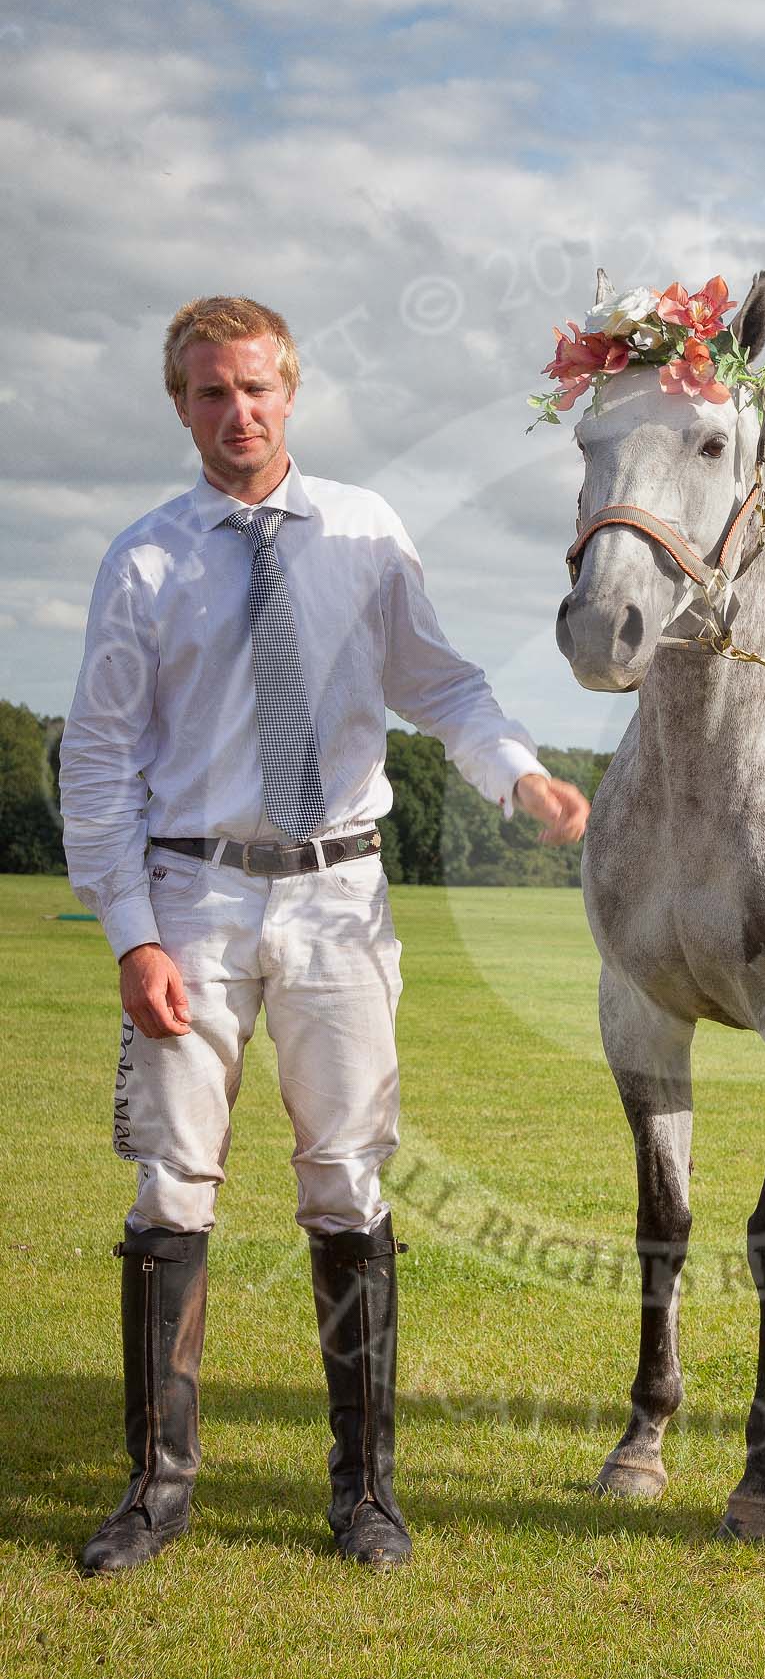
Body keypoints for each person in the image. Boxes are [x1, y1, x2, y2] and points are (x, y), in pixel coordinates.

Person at [61, 294, 589, 1576]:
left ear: (288, 391)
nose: (234, 413)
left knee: (347, 1181)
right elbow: (98, 762)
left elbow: (442, 684)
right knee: (172, 1181)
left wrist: (515, 772)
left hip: (342, 900)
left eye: (254, 388)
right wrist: (133, 934)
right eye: (207, 393)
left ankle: (366, 1495)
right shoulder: (143, 559)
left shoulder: (364, 530)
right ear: (179, 404)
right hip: (194, 900)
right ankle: (155, 1488)